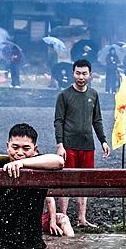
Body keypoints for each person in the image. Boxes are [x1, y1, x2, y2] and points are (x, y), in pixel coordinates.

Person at [54, 59, 111, 226]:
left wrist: (103, 141)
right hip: (69, 145)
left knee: (84, 182)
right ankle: (63, 218)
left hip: (87, 145)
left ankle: (81, 219)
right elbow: (58, 121)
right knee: (66, 182)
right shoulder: (64, 95)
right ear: (73, 74)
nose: (81, 77)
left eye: (84, 73)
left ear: (90, 75)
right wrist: (60, 145)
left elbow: (97, 120)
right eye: (78, 73)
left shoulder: (93, 94)